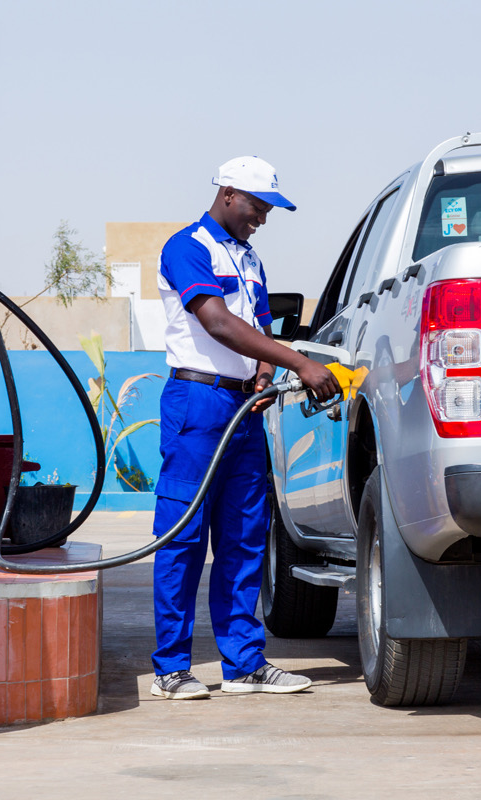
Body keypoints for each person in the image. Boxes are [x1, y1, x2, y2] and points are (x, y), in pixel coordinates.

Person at [150, 156, 340, 700]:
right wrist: (299, 362)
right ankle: (172, 667)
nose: (263, 217)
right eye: (258, 205)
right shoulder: (187, 247)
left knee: (244, 538)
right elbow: (216, 321)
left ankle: (244, 665)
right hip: (198, 403)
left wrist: (265, 369)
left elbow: (255, 324)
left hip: (244, 410)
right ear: (229, 193)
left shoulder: (250, 257)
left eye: (269, 208)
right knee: (183, 537)